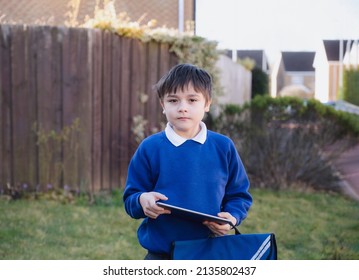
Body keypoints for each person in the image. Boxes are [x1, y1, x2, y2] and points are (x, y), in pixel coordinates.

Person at [123, 63, 252, 260]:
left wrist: (232, 218)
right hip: (163, 256)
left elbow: (239, 196)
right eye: (173, 100)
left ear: (207, 103)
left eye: (192, 100)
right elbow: (131, 198)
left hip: (211, 253)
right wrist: (142, 200)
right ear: (163, 105)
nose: (183, 108)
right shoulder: (150, 148)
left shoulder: (223, 147)